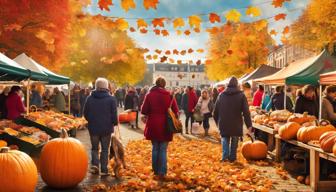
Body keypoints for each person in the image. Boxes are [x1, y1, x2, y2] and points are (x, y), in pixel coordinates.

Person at [141, 77, 179, 180]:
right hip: (166, 125)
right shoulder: (170, 95)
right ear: (164, 84)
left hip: (153, 123)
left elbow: (144, 110)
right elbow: (176, 110)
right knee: (163, 149)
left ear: (155, 84)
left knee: (155, 148)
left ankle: (155, 170)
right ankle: (162, 171)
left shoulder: (149, 95)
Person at [84, 77, 118, 176]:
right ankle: (104, 169)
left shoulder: (89, 98)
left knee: (94, 148)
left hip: (93, 128)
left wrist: (91, 120)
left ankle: (95, 167)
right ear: (106, 87)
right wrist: (115, 123)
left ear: (96, 86)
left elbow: (85, 113)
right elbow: (114, 114)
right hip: (106, 128)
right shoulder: (111, 99)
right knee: (105, 149)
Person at [213, 77, 252, 162]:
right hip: (236, 123)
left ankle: (225, 156)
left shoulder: (221, 95)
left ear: (228, 84)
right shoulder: (241, 95)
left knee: (225, 139)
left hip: (224, 123)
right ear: (237, 85)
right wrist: (249, 125)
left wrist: (217, 123)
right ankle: (232, 158)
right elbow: (246, 112)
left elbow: (215, 111)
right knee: (234, 141)